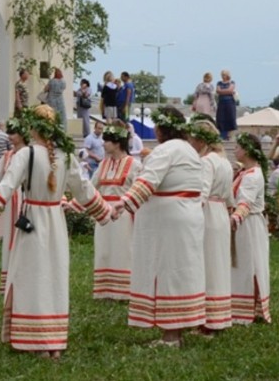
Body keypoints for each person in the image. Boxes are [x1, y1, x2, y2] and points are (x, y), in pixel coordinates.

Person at [0, 105, 113, 359]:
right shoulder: (66, 155)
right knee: (53, 275)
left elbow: (5, 189)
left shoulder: (26, 154)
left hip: (33, 218)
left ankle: (34, 339)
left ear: (33, 127)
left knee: (31, 276)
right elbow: (84, 190)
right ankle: (53, 342)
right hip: (55, 221)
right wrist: (107, 212)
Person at [110, 105, 206, 347]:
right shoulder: (189, 150)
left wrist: (124, 202)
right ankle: (178, 329)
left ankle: (170, 336)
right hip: (188, 216)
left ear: (163, 128)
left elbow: (149, 179)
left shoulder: (167, 150)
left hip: (169, 221)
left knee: (168, 272)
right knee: (181, 271)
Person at [187, 119, 233, 334]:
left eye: (193, 139)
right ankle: (221, 316)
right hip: (221, 212)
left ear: (201, 140)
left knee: (207, 265)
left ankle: (208, 321)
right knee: (219, 264)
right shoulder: (224, 160)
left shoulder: (206, 162)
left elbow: (202, 193)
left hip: (208, 215)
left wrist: (189, 213)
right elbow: (231, 197)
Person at [90, 122, 139, 301]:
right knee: (104, 250)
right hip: (104, 213)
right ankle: (105, 290)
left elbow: (138, 190)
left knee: (124, 251)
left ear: (117, 143)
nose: (103, 144)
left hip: (124, 214)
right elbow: (91, 188)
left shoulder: (134, 165)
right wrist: (74, 203)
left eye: (107, 140)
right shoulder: (103, 164)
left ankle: (124, 291)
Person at [229, 133, 271, 325]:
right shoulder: (246, 172)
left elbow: (245, 202)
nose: (235, 150)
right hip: (245, 223)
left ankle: (246, 310)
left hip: (249, 224)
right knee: (241, 265)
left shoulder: (252, 175)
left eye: (238, 147)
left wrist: (234, 219)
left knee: (249, 264)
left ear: (246, 151)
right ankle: (240, 306)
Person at [0, 116, 30, 294]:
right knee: (10, 238)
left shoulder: (30, 153)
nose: (9, 136)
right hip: (10, 200)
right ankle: (9, 282)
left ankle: (24, 279)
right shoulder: (7, 156)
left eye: (13, 133)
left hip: (26, 200)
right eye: (9, 132)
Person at [215, 70, 238, 140]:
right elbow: (218, 90)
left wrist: (222, 91)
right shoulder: (219, 83)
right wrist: (226, 91)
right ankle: (222, 135)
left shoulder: (232, 82)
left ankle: (230, 135)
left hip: (230, 103)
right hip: (221, 103)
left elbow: (230, 90)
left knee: (230, 117)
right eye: (222, 75)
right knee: (221, 118)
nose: (223, 76)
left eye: (224, 75)